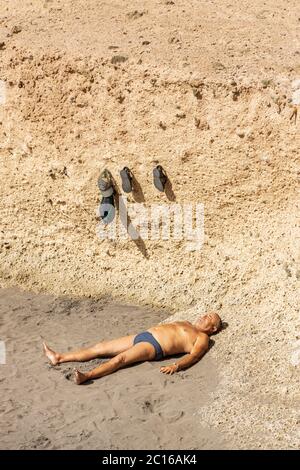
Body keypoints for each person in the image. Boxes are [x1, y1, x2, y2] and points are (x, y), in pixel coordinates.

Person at [43, 312, 222, 385]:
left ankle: (86, 376)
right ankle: (59, 358)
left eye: (208, 318)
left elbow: (194, 357)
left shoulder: (202, 338)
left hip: (154, 346)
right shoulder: (187, 323)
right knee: (100, 347)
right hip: (144, 335)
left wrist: (177, 366)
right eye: (205, 314)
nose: (203, 317)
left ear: (213, 329)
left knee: (119, 360)